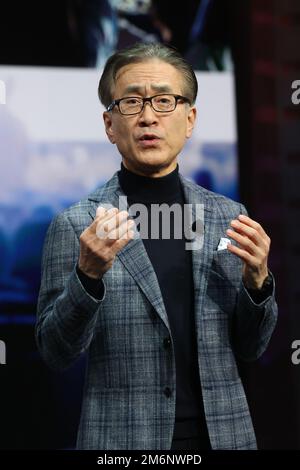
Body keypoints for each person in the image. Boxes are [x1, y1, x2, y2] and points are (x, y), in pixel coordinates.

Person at [36, 43, 278, 450]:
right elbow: (55, 353)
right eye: (131, 102)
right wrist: (87, 276)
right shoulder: (78, 225)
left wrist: (258, 285)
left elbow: (252, 348)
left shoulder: (227, 216)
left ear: (190, 119)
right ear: (110, 125)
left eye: (164, 100)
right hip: (122, 442)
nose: (148, 116)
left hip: (224, 437)